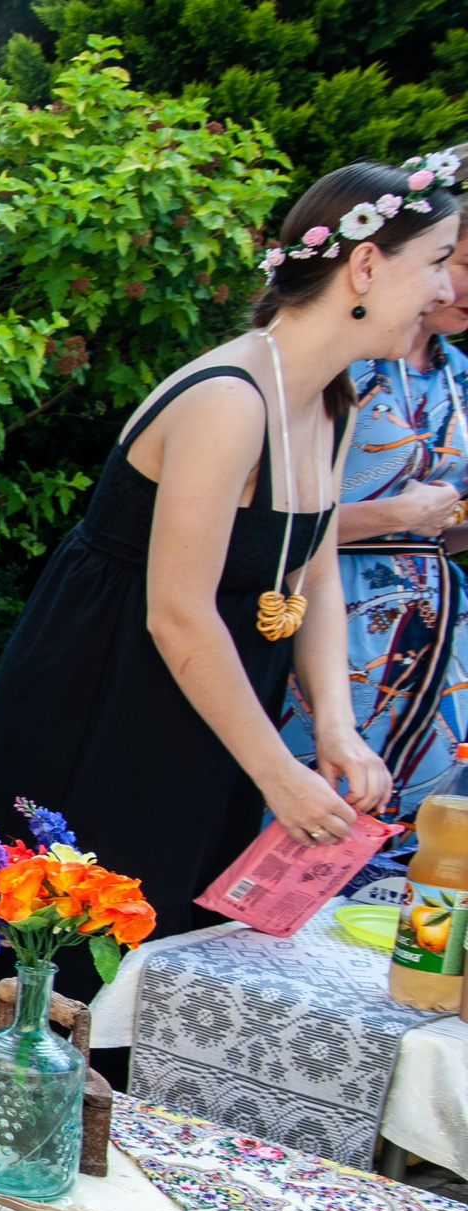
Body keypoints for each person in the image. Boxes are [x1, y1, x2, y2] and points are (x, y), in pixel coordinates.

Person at [0, 160, 450, 1070]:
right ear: (368, 266)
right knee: (78, 942)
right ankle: (7, 1132)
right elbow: (179, 615)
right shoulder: (229, 399)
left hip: (211, 711)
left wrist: (335, 730)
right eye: (438, 261)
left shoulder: (332, 400)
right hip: (107, 705)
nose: (447, 288)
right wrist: (278, 774)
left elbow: (313, 572)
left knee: (172, 936)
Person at [282, 149, 468, 848]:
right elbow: (260, 525)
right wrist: (392, 517)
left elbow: (442, 523)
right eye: (459, 263)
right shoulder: (341, 364)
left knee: (410, 836)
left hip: (432, 634)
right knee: (309, 819)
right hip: (328, 621)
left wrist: (443, 524)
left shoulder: (458, 374)